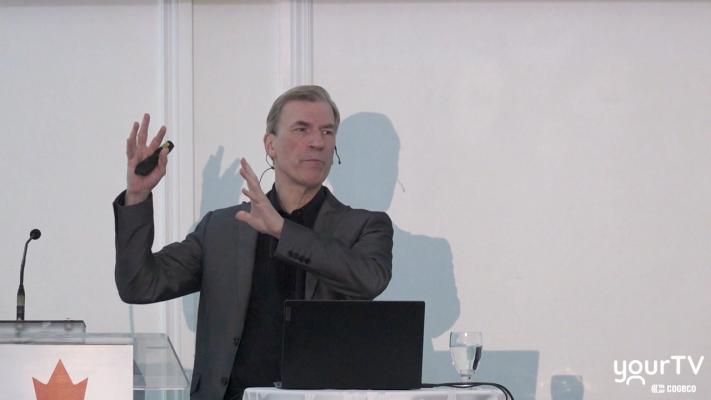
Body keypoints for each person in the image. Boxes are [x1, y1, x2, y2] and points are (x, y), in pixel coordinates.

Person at [113, 85, 393, 400]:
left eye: (327, 132)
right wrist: (137, 195)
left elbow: (370, 279)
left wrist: (282, 230)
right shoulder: (222, 228)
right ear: (270, 144)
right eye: (302, 129)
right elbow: (139, 285)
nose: (318, 142)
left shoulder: (364, 226)